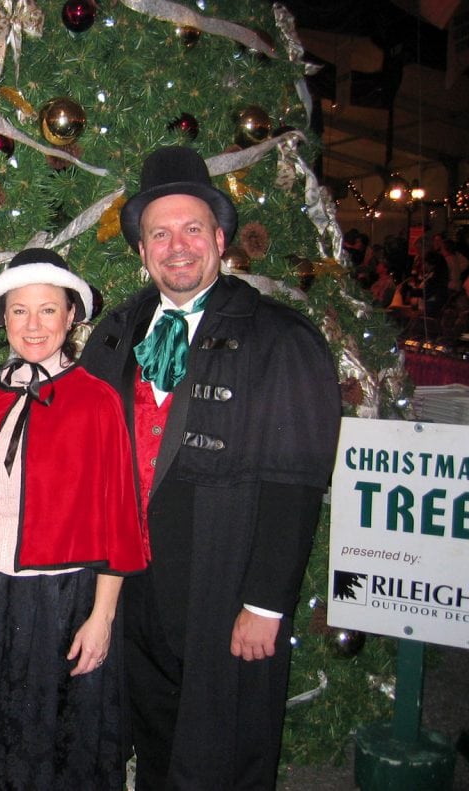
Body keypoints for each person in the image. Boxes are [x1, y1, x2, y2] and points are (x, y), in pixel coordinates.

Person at [80, 146, 341, 790]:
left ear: (221, 240)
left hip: (221, 576)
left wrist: (267, 601)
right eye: (159, 233)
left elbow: (296, 478)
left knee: (221, 745)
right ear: (141, 250)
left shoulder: (279, 337)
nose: (177, 246)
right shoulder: (115, 331)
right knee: (154, 728)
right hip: (129, 579)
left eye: (192, 229)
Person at [0, 248, 148, 790]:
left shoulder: (96, 401)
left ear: (71, 318)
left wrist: (102, 617)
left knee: (57, 740)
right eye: (20, 311)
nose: (34, 325)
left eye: (48, 310)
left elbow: (119, 518)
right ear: (4, 320)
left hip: (64, 602)